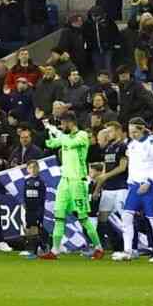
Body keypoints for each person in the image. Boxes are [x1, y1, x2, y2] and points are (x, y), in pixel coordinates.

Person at [42, 104, 97, 259]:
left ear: (70, 123)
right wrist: (49, 131)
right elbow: (51, 144)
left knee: (82, 217)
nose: (61, 126)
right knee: (58, 214)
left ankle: (98, 247)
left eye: (63, 123)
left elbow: (69, 142)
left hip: (77, 181)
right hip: (64, 181)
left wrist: (55, 131)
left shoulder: (82, 136)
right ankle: (55, 250)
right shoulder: (64, 137)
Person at [121, 118, 153, 261]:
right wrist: (130, 182)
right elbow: (133, 166)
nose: (132, 135)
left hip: (149, 187)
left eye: (135, 132)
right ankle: (128, 250)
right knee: (127, 216)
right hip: (134, 186)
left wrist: (149, 181)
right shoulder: (131, 145)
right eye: (130, 132)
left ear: (142, 129)